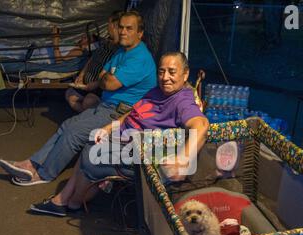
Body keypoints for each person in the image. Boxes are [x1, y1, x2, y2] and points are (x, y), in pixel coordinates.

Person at [28, 52, 210, 216]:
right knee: (93, 140)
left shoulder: (182, 100)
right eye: (161, 71)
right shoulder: (157, 91)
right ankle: (62, 200)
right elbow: (133, 112)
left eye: (172, 72)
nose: (165, 77)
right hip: (122, 138)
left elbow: (201, 124)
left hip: (137, 153)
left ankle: (72, 202)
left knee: (90, 155)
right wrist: (108, 128)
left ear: (185, 74)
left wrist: (184, 158)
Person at [0, 11, 157, 186]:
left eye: (129, 28)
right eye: (121, 27)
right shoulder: (121, 51)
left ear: (140, 33)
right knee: (67, 126)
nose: (123, 32)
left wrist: (108, 77)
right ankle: (31, 163)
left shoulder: (140, 57)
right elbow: (103, 76)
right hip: (107, 105)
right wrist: (108, 77)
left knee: (73, 134)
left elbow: (109, 83)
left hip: (121, 114)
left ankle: (43, 174)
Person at [64, 11, 122, 112]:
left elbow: (112, 74)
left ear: (114, 25)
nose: (107, 26)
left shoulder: (120, 48)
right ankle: (85, 118)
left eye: (109, 23)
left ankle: (88, 120)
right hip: (88, 82)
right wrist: (82, 75)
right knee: (69, 94)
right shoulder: (106, 41)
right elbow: (93, 58)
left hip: (99, 87)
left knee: (88, 102)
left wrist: (95, 84)